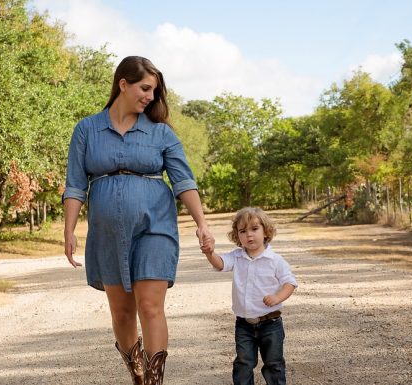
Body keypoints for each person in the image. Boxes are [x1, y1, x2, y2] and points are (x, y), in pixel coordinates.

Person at [62, 56, 212, 385]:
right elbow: (75, 185)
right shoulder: (87, 129)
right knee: (123, 312)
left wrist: (202, 223)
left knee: (149, 305)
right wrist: (69, 230)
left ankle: (155, 382)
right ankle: (139, 375)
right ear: (123, 84)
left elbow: (184, 181)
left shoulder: (161, 134)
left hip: (155, 226)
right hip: (106, 232)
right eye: (144, 88)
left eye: (154, 92)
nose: (149, 96)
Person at [200, 207, 297, 385]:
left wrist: (278, 297)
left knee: (274, 363)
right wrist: (209, 253)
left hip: (271, 323)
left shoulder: (275, 261)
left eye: (254, 229)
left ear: (266, 231)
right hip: (244, 324)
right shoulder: (237, 257)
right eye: (242, 231)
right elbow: (221, 263)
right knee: (244, 363)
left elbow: (290, 283)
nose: (249, 235)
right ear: (237, 236)